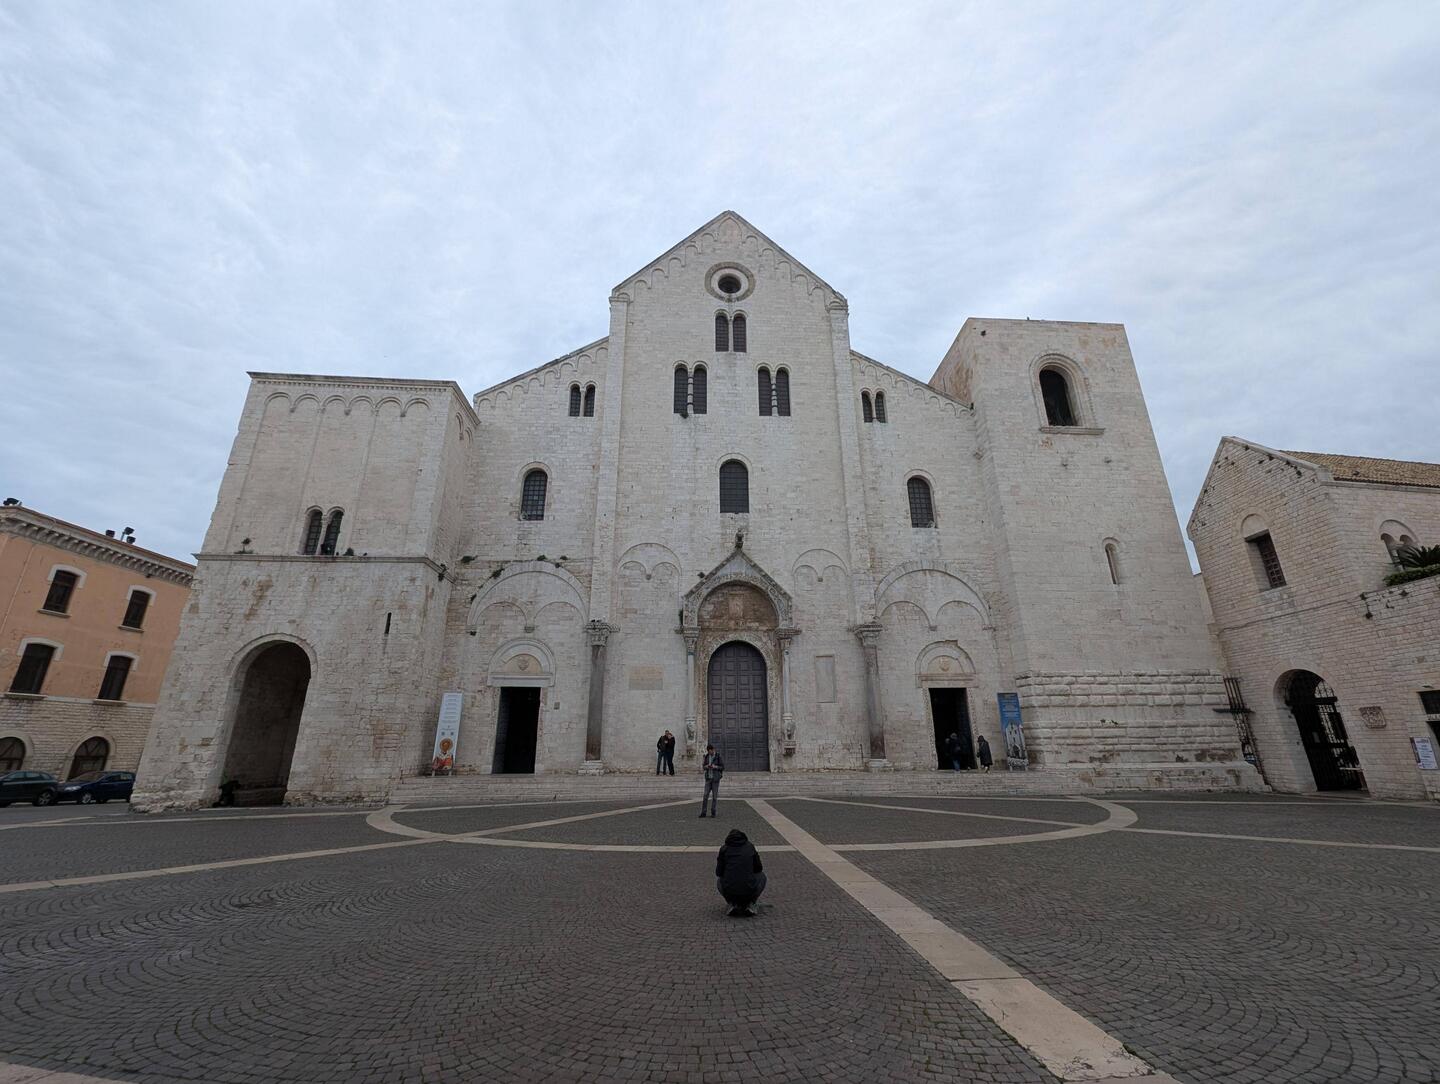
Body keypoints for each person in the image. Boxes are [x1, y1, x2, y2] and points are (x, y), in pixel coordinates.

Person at [715, 828, 766, 916]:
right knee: (762, 876)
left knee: (719, 880)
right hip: (749, 890)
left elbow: (719, 872)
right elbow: (758, 868)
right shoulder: (750, 847)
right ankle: (751, 903)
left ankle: (732, 903)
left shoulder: (724, 849)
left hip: (730, 891)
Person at [699, 744, 724, 817]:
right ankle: (703, 813)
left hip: (715, 779)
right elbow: (704, 766)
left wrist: (715, 766)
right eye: (709, 752)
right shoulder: (707, 756)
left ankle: (713, 812)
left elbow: (722, 767)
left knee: (714, 797)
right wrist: (706, 766)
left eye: (711, 751)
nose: (710, 753)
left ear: (713, 750)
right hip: (708, 779)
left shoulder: (718, 756)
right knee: (705, 795)